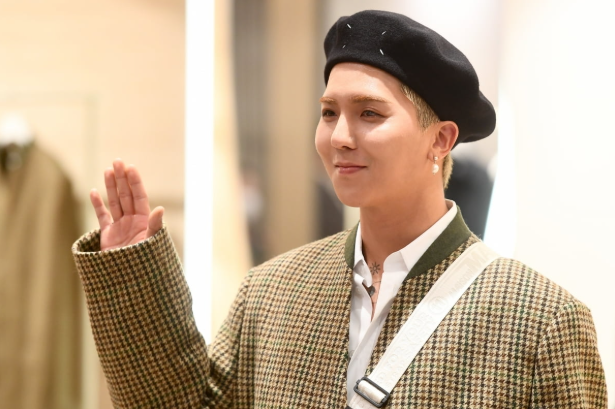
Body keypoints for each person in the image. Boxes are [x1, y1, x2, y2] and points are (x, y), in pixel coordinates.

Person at [73, 10, 607, 409]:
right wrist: (134, 273)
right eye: (329, 113)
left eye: (369, 113)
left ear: (440, 140)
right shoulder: (272, 293)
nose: (340, 137)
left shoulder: (540, 321)